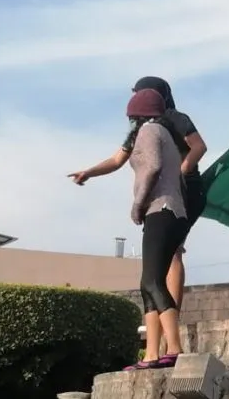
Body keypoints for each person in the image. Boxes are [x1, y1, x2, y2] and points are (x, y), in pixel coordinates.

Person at [67, 77, 207, 311]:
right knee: (158, 258)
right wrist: (88, 172)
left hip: (186, 189)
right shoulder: (141, 128)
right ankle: (161, 314)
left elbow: (199, 146)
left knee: (173, 252)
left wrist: (181, 173)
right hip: (161, 192)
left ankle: (171, 315)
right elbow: (116, 160)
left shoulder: (175, 118)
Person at [122, 88, 189, 369]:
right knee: (147, 283)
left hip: (160, 210)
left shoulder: (149, 131)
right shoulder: (167, 135)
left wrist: (137, 205)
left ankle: (174, 348)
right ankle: (151, 354)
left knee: (152, 281)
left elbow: (151, 167)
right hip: (171, 211)